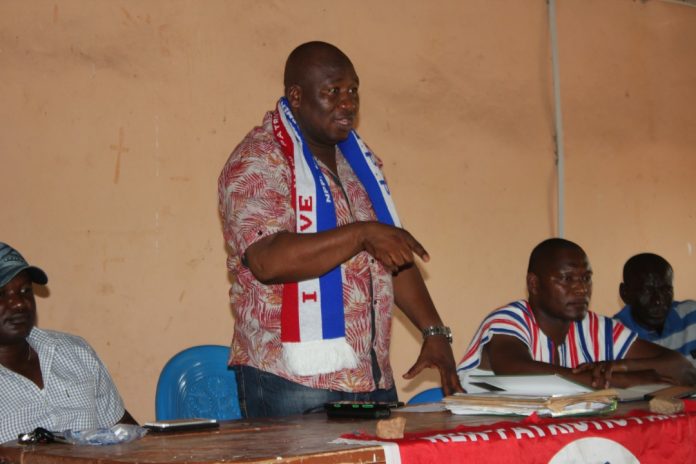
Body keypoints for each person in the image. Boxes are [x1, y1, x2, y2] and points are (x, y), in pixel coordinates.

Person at [218, 41, 461, 417]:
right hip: (293, 382)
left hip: (371, 377)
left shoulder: (359, 166)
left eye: (353, 91)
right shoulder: (258, 160)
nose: (347, 103)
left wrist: (434, 331)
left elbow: (390, 252)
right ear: (296, 97)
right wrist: (361, 233)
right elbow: (267, 260)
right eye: (333, 92)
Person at [457, 238, 696, 392]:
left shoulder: (596, 327)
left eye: (586, 278)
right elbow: (514, 366)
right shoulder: (509, 319)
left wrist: (618, 367)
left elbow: (683, 369)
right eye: (566, 278)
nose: (581, 288)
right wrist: (609, 382)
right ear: (534, 284)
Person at [0, 242, 136, 443]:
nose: (19, 303)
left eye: (25, 291)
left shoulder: (74, 352)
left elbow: (126, 432)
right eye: (1, 294)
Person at [614, 253, 696, 367]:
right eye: (647, 291)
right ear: (625, 293)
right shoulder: (612, 336)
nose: (658, 300)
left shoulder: (692, 316)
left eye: (665, 290)